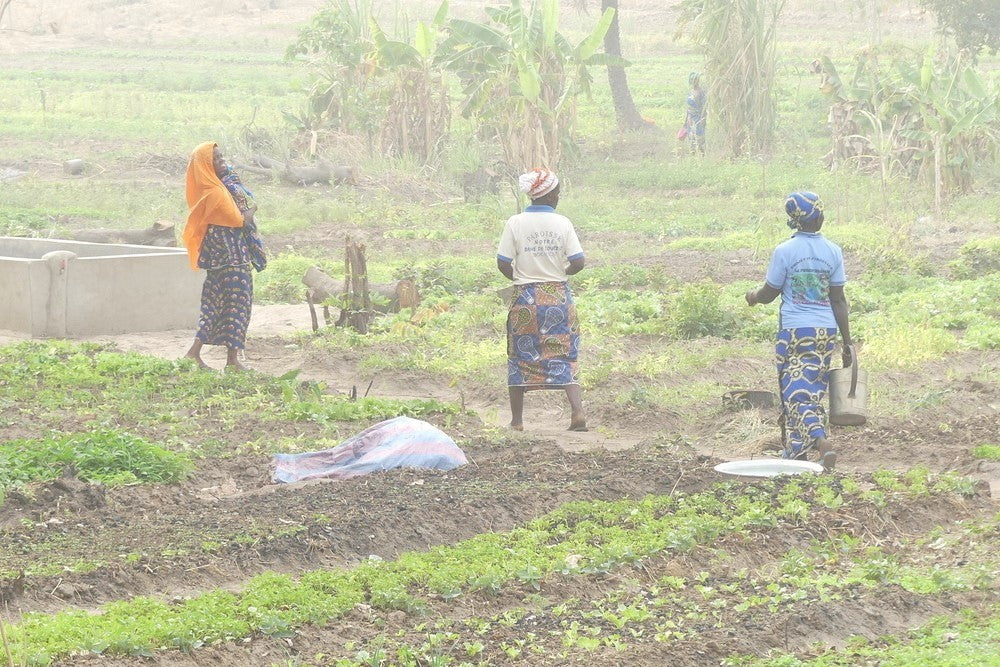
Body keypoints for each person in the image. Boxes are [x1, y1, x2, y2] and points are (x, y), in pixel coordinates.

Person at [745, 192, 853, 470]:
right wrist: (847, 342)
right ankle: (795, 457)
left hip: (795, 331)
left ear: (794, 221)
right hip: (825, 332)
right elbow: (838, 299)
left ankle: (819, 440)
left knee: (794, 392)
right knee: (811, 390)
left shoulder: (785, 251)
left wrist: (754, 296)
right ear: (819, 218)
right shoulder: (833, 251)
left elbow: (770, 292)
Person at [497, 168, 587, 432]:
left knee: (519, 356)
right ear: (549, 195)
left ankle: (517, 421)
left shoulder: (515, 223)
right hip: (557, 297)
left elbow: (503, 263)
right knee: (565, 353)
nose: (559, 197)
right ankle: (578, 412)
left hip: (525, 299)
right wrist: (561, 273)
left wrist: (520, 277)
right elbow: (578, 262)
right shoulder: (563, 223)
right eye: (557, 192)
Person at [182, 142, 266, 372]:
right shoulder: (217, 192)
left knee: (214, 306)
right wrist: (252, 210)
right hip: (233, 257)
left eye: (221, 157)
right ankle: (230, 360)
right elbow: (239, 220)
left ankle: (200, 354)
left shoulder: (209, 187)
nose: (222, 162)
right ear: (206, 166)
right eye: (216, 160)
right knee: (238, 306)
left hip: (218, 257)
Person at [684, 71, 707, 156]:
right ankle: (693, 155)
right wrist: (686, 120)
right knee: (691, 137)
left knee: (699, 138)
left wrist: (703, 119)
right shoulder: (690, 92)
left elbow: (704, 107)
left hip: (698, 117)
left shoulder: (701, 93)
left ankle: (702, 155)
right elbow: (688, 108)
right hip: (690, 118)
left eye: (695, 80)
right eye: (692, 80)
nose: (693, 82)